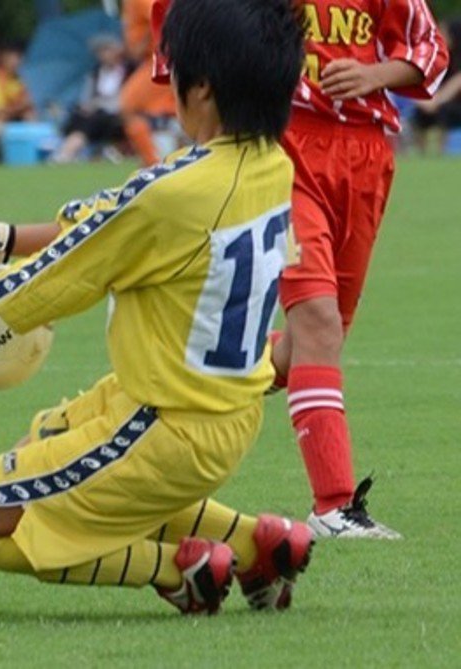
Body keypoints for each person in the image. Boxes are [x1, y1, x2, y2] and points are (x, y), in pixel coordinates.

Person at [0, 0, 313, 614]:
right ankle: (257, 545)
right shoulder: (270, 166)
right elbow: (100, 225)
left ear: (201, 88)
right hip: (216, 405)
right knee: (52, 432)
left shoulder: (175, 192)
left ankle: (178, 571)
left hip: (167, 423)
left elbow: (27, 293)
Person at [153, 0, 450, 539]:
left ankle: (199, 367)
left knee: (314, 343)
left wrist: (373, 74)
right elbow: (181, 37)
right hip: (279, 150)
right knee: (317, 322)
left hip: (364, 158)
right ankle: (335, 505)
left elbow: (429, 53)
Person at [51, 35, 129, 164]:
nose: (104, 55)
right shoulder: (95, 74)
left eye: (107, 50)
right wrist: (88, 106)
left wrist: (99, 104)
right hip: (95, 113)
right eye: (100, 51)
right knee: (79, 116)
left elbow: (125, 98)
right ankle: (69, 150)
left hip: (116, 113)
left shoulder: (128, 72)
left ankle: (67, 152)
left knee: (94, 118)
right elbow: (87, 98)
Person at [118, 0, 176, 166]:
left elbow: (164, 13)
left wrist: (149, 39)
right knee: (177, 110)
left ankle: (153, 163)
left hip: (160, 60)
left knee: (128, 108)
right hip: (154, 59)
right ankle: (155, 160)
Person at [409, 20, 461, 154]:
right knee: (419, 114)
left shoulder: (456, 61)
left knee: (445, 112)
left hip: (451, 103)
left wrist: (436, 101)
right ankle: (422, 155)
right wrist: (423, 101)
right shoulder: (432, 56)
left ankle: (441, 152)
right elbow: (417, 78)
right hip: (431, 101)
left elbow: (456, 83)